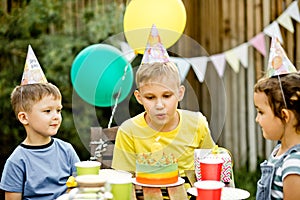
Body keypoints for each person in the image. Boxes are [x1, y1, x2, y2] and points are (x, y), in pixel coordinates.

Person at [111, 61, 215, 176]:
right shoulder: (128, 131)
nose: (159, 105)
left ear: (179, 93)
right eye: (150, 97)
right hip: (144, 193)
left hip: (190, 193)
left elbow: (212, 162)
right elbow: (123, 179)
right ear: (139, 98)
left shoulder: (196, 124)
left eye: (166, 96)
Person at [0, 82, 80, 200]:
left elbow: (82, 186)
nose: (56, 116)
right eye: (47, 111)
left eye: (58, 110)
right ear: (24, 117)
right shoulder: (17, 161)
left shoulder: (66, 150)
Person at [254, 72, 300, 199]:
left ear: (284, 116)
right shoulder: (279, 150)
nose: (257, 119)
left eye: (261, 112)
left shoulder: (293, 165)